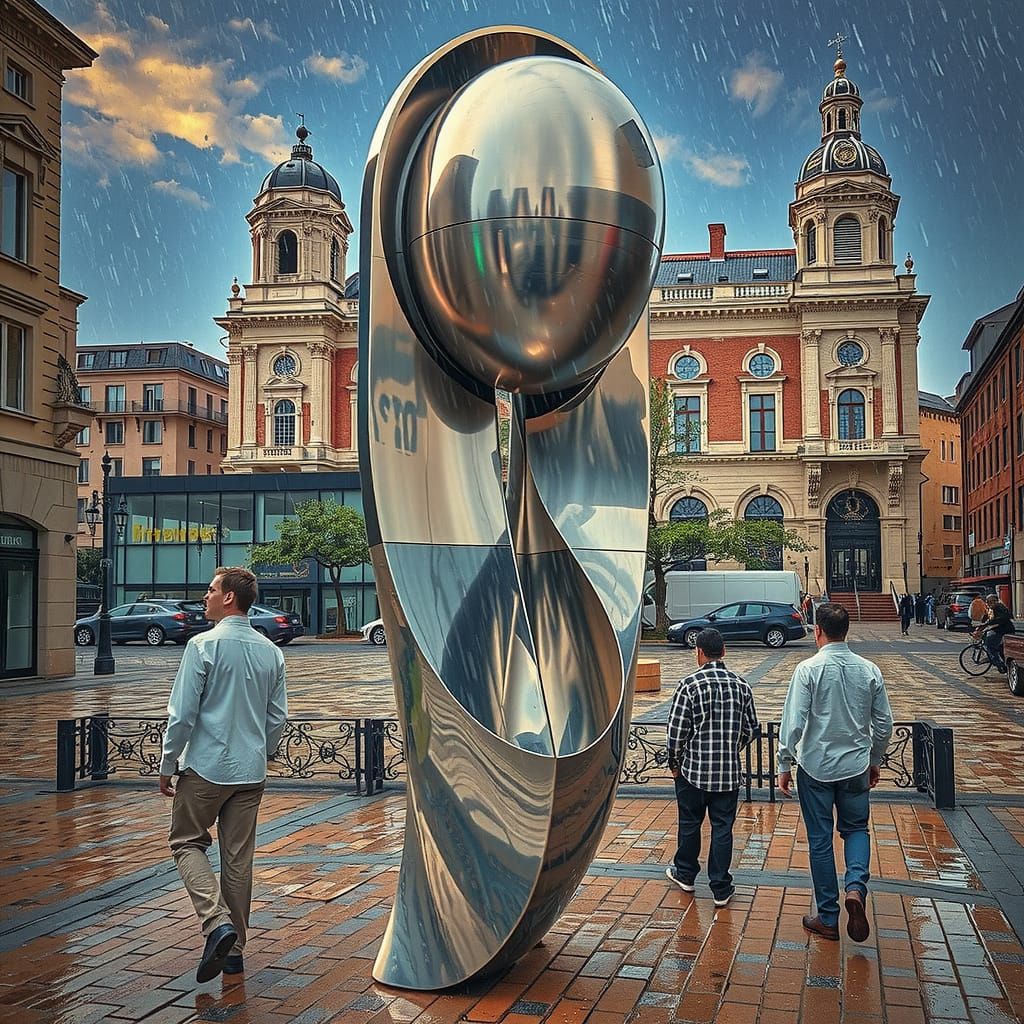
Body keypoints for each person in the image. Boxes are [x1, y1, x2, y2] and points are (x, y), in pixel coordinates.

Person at [159, 567, 288, 984]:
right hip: (250, 771)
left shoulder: (202, 645)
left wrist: (167, 763)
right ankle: (234, 953)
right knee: (237, 858)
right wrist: (264, 751)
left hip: (206, 767)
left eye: (211, 590)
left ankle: (216, 923)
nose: (206, 596)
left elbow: (182, 714)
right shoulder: (271, 652)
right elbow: (276, 718)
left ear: (229, 597)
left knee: (185, 842)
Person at [776, 603, 893, 943]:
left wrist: (784, 762)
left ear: (818, 631)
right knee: (856, 829)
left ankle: (828, 917)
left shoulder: (808, 669)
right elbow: (884, 724)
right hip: (856, 765)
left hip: (816, 766)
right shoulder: (869, 670)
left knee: (820, 840)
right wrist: (874, 759)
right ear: (846, 631)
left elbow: (794, 722)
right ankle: (855, 886)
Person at [665, 627, 759, 907]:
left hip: (693, 770)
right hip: (727, 772)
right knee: (722, 828)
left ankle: (686, 874)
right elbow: (751, 728)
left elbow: (676, 733)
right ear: (724, 651)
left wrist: (675, 764)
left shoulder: (689, 685)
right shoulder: (742, 686)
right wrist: (732, 747)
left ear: (699, 652)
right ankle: (720, 886)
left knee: (689, 823)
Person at [978, 593, 1015, 673]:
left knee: (990, 647)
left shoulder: (1000, 607)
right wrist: (984, 624)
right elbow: (988, 619)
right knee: (999, 648)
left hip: (1005, 630)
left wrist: (988, 624)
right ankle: (1003, 665)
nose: (989, 604)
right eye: (987, 602)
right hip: (1000, 629)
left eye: (991, 602)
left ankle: (1000, 665)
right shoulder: (992, 609)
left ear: (996, 601)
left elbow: (1001, 619)